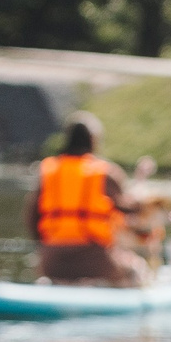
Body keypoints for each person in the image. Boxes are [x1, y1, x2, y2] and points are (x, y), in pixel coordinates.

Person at [28, 113, 145, 286]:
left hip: (52, 262)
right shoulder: (106, 173)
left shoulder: (47, 171)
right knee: (136, 269)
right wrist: (144, 202)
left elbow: (31, 216)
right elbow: (129, 210)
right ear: (93, 140)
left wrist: (44, 246)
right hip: (97, 262)